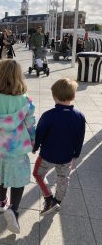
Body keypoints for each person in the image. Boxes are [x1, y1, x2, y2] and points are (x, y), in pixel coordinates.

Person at [0, 59, 36, 234]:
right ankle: (14, 209)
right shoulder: (26, 102)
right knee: (18, 179)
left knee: (2, 175)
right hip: (17, 149)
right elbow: (30, 125)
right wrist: (33, 142)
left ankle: (2, 201)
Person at [32, 78, 85, 216]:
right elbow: (80, 138)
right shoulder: (79, 116)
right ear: (73, 96)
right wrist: (76, 154)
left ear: (54, 96)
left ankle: (48, 198)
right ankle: (57, 201)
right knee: (63, 179)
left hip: (47, 155)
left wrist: (35, 146)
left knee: (37, 174)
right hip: (67, 157)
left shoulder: (48, 116)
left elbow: (40, 134)